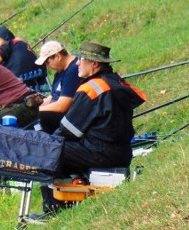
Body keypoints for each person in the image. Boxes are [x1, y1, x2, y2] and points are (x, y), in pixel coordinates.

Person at [39, 41, 147, 214]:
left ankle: (53, 209)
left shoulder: (92, 88)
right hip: (122, 151)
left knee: (50, 150)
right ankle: (75, 188)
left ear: (94, 63)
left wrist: (48, 142)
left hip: (101, 152)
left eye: (81, 59)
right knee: (58, 148)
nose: (77, 63)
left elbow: (69, 130)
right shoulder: (114, 81)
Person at [34, 40, 82, 133]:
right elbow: (51, 97)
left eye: (47, 62)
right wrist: (32, 109)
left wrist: (37, 112)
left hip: (69, 120)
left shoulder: (73, 70)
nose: (47, 66)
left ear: (58, 56)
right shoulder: (60, 71)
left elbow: (62, 106)